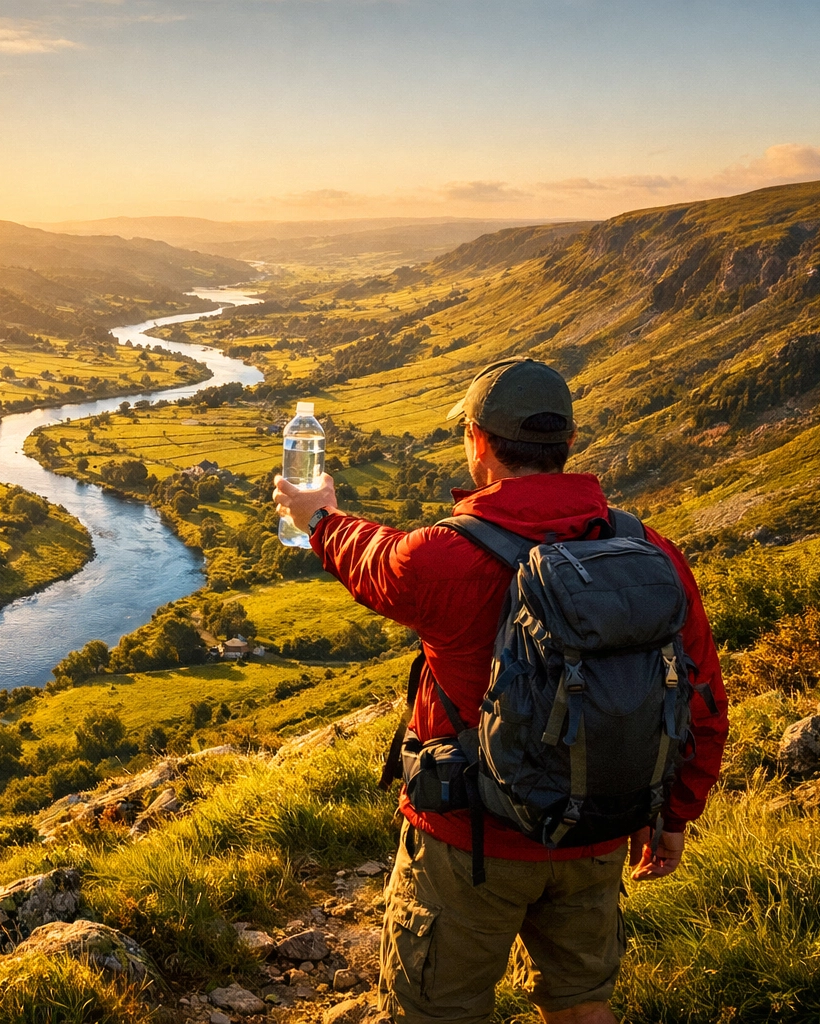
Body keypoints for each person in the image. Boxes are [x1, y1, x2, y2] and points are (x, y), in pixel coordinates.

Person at [272, 358, 727, 1024]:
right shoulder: (646, 550)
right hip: (595, 826)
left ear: (479, 443)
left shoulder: (442, 557)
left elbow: (372, 561)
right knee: (581, 1003)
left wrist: (320, 519)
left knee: (435, 1011)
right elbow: (703, 700)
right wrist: (674, 814)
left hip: (469, 842)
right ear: (568, 445)